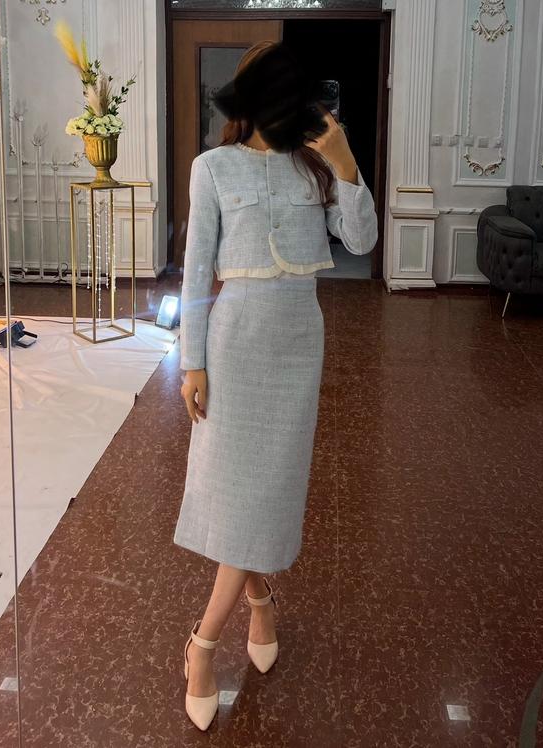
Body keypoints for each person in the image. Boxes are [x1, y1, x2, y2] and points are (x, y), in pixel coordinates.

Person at [173, 40, 379, 731]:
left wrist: (346, 164)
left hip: (297, 344)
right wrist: (192, 361)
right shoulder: (213, 168)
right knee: (241, 490)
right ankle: (210, 641)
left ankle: (242, 616)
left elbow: (361, 241)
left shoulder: (313, 166)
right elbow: (195, 271)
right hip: (234, 343)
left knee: (265, 490)